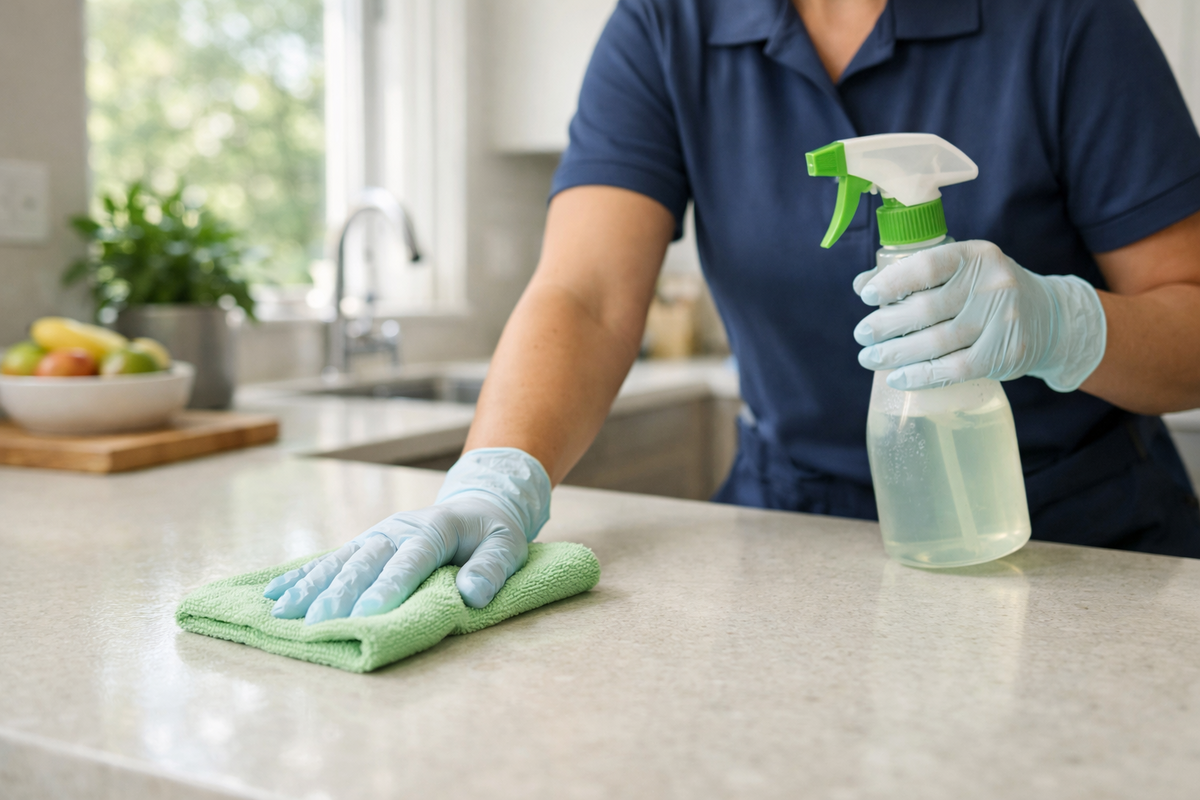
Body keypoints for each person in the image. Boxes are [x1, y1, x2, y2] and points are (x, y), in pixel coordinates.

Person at [266, 0, 1200, 624]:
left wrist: (1061, 323)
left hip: (1078, 534)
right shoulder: (670, 22)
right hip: (788, 531)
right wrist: (493, 476)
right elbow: (585, 295)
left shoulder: (1065, 17)